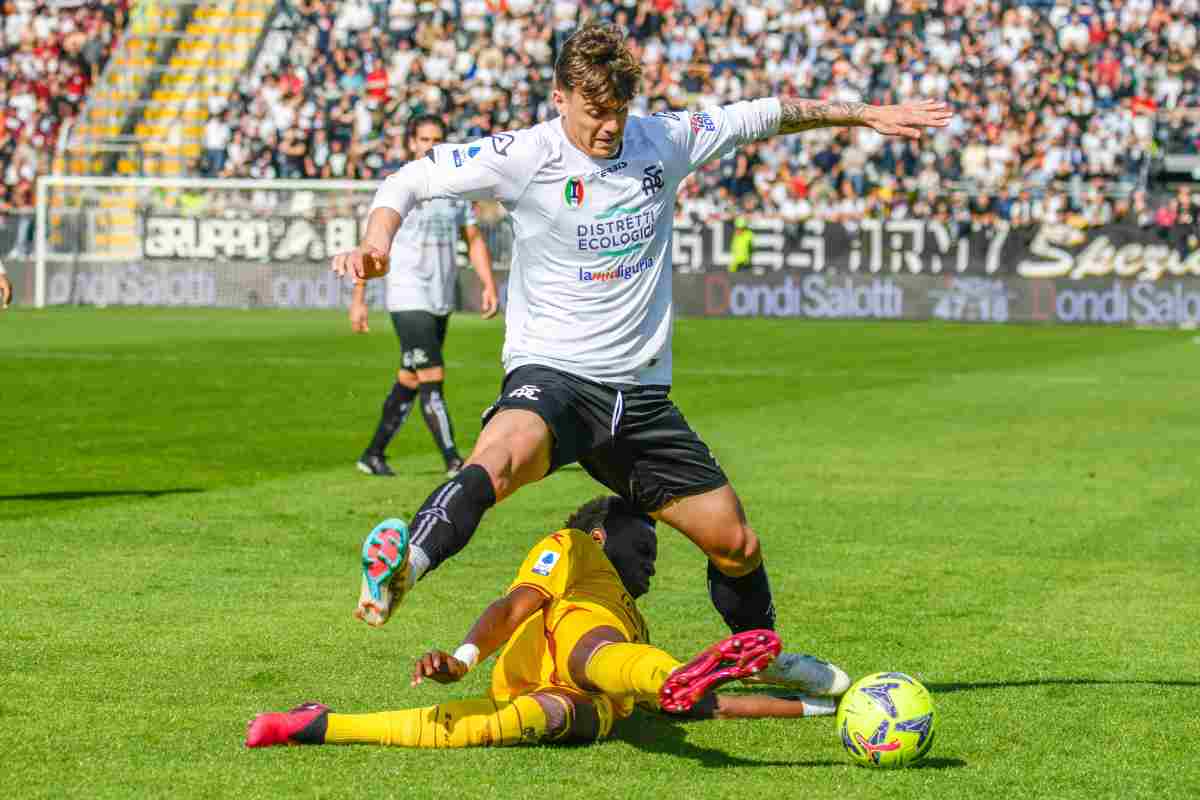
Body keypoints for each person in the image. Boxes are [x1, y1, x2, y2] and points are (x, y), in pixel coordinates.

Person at [331, 23, 950, 692]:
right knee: (500, 456)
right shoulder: (523, 154)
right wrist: (375, 244)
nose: (609, 128)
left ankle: (760, 656)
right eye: (596, 112)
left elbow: (768, 114)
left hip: (640, 400)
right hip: (555, 375)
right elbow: (409, 179)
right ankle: (405, 568)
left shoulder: (662, 140)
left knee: (733, 542)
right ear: (562, 95)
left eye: (620, 111)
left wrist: (865, 115)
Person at [245, 496, 836, 750]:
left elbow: (703, 704)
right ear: (604, 534)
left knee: (569, 712)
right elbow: (515, 607)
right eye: (646, 537)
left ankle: (321, 727)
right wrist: (465, 657)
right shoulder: (578, 550)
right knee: (592, 637)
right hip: (578, 651)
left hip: (583, 702)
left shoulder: (640, 625)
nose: (653, 552)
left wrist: (818, 710)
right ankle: (317, 725)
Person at [351, 114, 501, 479]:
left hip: (439, 296)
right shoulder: (399, 186)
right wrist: (359, 298)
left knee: (410, 379)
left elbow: (474, 239)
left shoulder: (456, 191)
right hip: (407, 295)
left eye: (436, 139)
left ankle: (373, 455)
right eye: (423, 139)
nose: (430, 146)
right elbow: (370, 247)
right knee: (432, 376)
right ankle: (453, 460)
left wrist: (488, 283)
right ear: (411, 143)